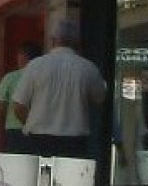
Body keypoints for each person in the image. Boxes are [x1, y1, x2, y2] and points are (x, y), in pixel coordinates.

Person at [11, 18, 106, 159]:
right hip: (74, 141)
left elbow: (19, 106)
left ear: (53, 40)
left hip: (38, 139)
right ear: (77, 43)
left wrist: (33, 122)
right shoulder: (88, 68)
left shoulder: (35, 65)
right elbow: (100, 98)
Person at [0, 41, 43, 153]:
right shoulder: (43, 77)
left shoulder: (10, 78)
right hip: (39, 131)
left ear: (23, 57)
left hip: (14, 131)